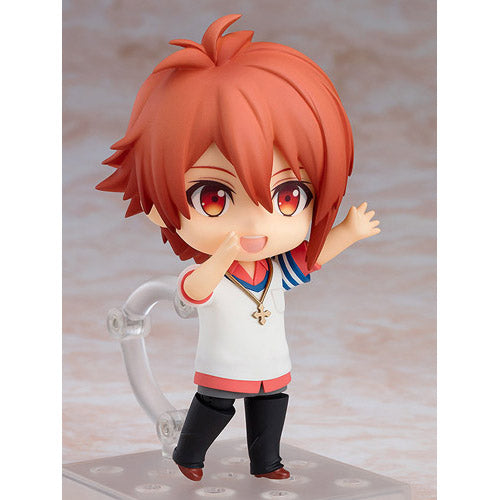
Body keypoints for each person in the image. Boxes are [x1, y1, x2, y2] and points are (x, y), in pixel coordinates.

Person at [97, 14, 380, 481]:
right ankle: (189, 454)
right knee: (215, 405)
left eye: (288, 197)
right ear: (156, 204)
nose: (256, 222)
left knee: (272, 404)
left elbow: (309, 260)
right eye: (214, 197)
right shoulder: (211, 272)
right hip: (223, 364)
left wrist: (347, 232)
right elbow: (195, 291)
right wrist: (223, 254)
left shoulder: (273, 269)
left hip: (271, 361)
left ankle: (266, 462)